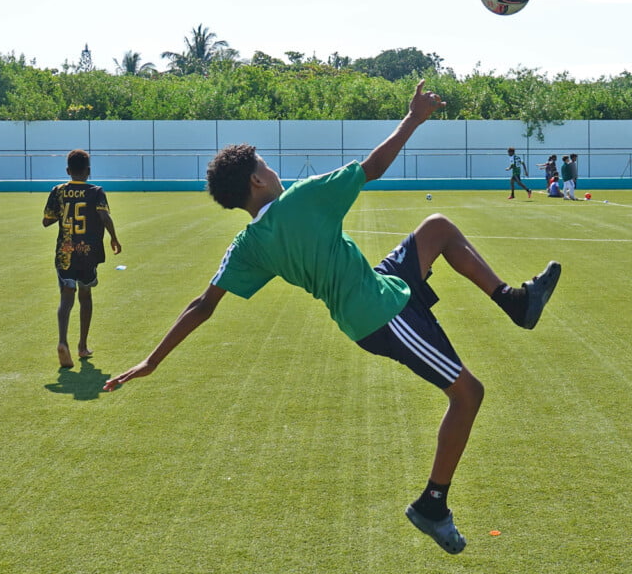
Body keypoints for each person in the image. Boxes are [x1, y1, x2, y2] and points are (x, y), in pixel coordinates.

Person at [103, 82, 561, 555]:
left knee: (437, 228)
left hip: (375, 290)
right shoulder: (301, 199)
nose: (271, 167)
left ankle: (513, 301)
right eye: (264, 164)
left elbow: (203, 305)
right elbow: (373, 167)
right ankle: (432, 504)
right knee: (468, 395)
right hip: (380, 313)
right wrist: (413, 118)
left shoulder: (248, 245)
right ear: (257, 181)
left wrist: (153, 360)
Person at [43, 149, 122, 368]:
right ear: (88, 170)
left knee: (66, 297)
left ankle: (62, 342)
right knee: (85, 296)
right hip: (88, 252)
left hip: (65, 252)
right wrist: (114, 238)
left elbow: (47, 220)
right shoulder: (96, 191)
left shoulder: (58, 191)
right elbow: (104, 216)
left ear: (68, 170)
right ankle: (82, 346)